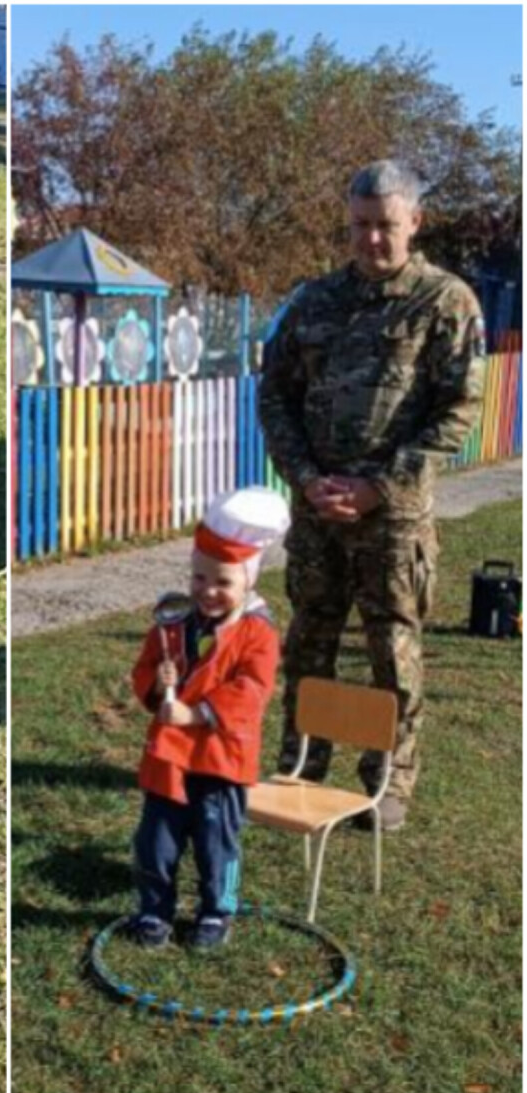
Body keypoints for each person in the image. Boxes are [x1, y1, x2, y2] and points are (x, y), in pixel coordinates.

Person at [260, 159, 485, 830]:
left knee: (393, 649)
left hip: (392, 520)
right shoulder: (315, 301)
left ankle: (388, 782)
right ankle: (303, 762)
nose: (372, 241)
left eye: (386, 226)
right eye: (361, 226)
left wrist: (376, 488)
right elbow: (275, 396)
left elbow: (458, 410)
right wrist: (305, 478)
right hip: (318, 510)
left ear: (414, 222)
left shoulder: (445, 302)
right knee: (309, 641)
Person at [129, 488, 288, 950]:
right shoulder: (174, 622)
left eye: (222, 583)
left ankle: (216, 912)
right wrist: (160, 687)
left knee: (216, 843)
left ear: (247, 584)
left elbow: (251, 693)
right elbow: (145, 669)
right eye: (199, 578)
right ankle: (154, 911)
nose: (207, 591)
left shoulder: (258, 634)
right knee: (155, 844)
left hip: (221, 759)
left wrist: (194, 713)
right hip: (169, 759)